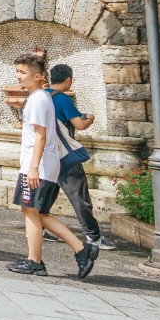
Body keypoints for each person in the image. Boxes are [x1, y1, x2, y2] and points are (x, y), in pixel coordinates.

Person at [9, 49, 98, 279]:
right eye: (17, 72)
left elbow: (40, 136)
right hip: (44, 165)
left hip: (38, 166)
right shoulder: (42, 98)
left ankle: (35, 261)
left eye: (23, 72)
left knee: (31, 212)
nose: (19, 76)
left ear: (39, 76)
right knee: (39, 213)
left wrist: (33, 167)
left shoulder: (38, 99)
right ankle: (81, 250)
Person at [48, 62, 114, 250]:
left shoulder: (42, 96)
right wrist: (91, 117)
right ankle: (94, 237)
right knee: (79, 196)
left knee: (48, 193)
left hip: (47, 154)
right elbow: (80, 125)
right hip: (65, 156)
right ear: (68, 79)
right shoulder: (63, 99)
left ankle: (42, 227)